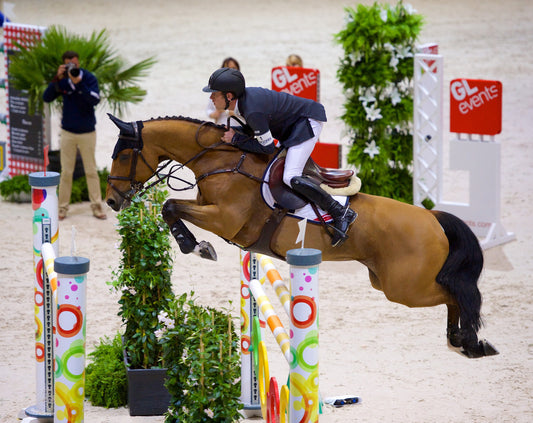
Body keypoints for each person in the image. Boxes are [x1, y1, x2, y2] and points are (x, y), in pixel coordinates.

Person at [203, 68, 357, 247]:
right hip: (293, 125)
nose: (211, 98)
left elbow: (266, 147)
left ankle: (339, 212)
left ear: (229, 96)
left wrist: (236, 138)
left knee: (290, 176)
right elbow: (255, 130)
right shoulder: (244, 103)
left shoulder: (251, 110)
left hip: (307, 122)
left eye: (214, 94)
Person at [43, 50, 106, 220]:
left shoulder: (89, 78)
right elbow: (46, 97)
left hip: (87, 133)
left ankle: (97, 206)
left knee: (91, 170)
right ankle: (62, 208)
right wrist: (57, 78)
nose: (73, 68)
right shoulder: (62, 83)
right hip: (68, 133)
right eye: (69, 65)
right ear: (64, 64)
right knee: (66, 172)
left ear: (79, 62)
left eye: (75, 65)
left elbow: (94, 99)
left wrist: (79, 83)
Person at [205, 57, 241, 125]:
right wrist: (214, 114)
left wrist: (235, 113)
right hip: (220, 127)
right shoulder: (215, 91)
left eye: (233, 68)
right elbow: (208, 110)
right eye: (227, 68)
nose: (230, 71)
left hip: (239, 129)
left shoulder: (243, 90)